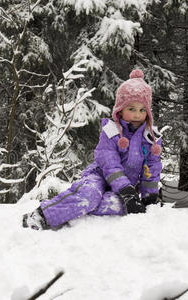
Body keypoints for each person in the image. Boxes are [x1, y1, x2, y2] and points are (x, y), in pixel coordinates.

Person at [23, 69, 163, 230]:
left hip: (126, 188)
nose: (137, 114)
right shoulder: (111, 131)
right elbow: (110, 164)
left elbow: (151, 167)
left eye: (142, 110)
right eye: (132, 109)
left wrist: (149, 197)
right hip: (100, 177)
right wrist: (126, 190)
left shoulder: (151, 138)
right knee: (89, 196)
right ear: (120, 109)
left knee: (120, 206)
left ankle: (77, 210)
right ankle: (41, 215)